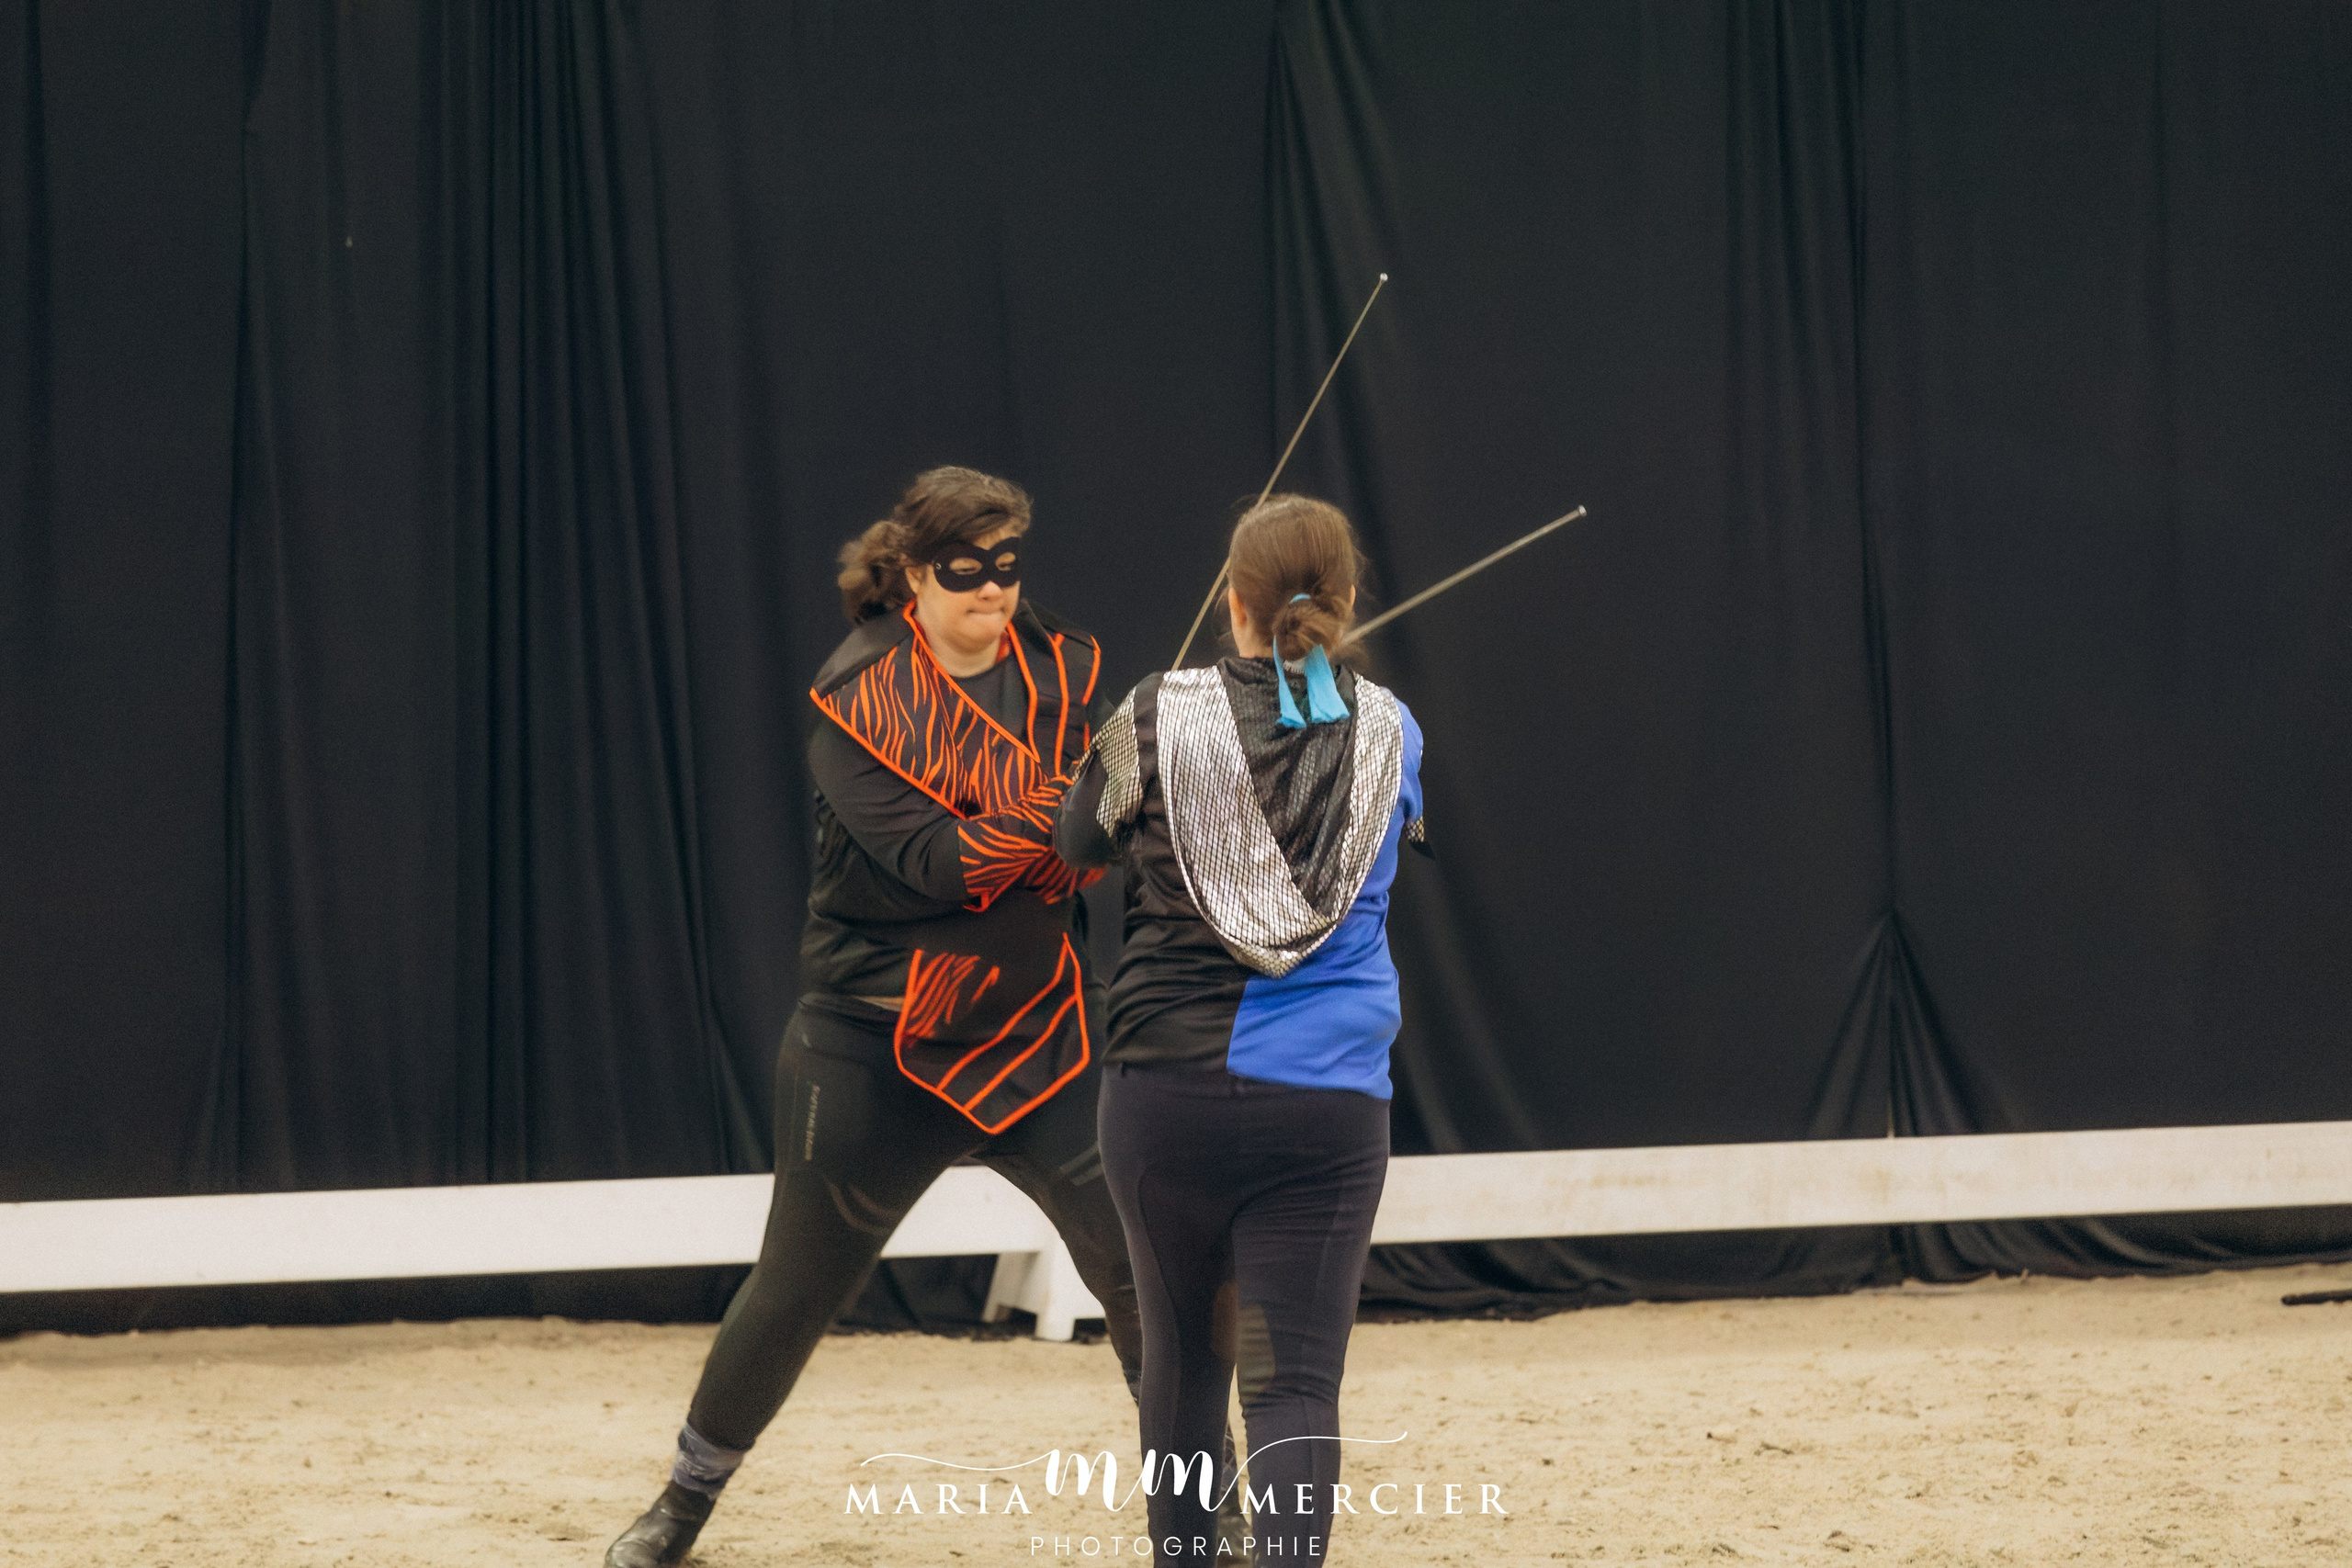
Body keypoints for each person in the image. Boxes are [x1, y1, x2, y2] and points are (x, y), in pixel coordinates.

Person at [605, 467, 1141, 1566]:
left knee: (1143, 1268)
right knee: (795, 1289)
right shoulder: (856, 699)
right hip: (874, 1037)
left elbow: (1087, 840)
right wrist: (1077, 816)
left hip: (1038, 1026)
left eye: (1008, 566)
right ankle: (683, 1504)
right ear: (909, 572)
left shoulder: (1055, 664)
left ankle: (1201, 1501)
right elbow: (932, 864)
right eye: (968, 570)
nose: (995, 591)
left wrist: (1114, 807)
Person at [1057, 493, 1426, 1565]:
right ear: (1347, 603)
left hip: (1163, 1096)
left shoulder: (1151, 713)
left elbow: (1076, 842)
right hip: (1325, 1104)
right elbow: (1353, 781)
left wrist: (1146, 736)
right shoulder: (1395, 730)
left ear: (1232, 604)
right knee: (1295, 1381)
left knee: (1182, 1366)